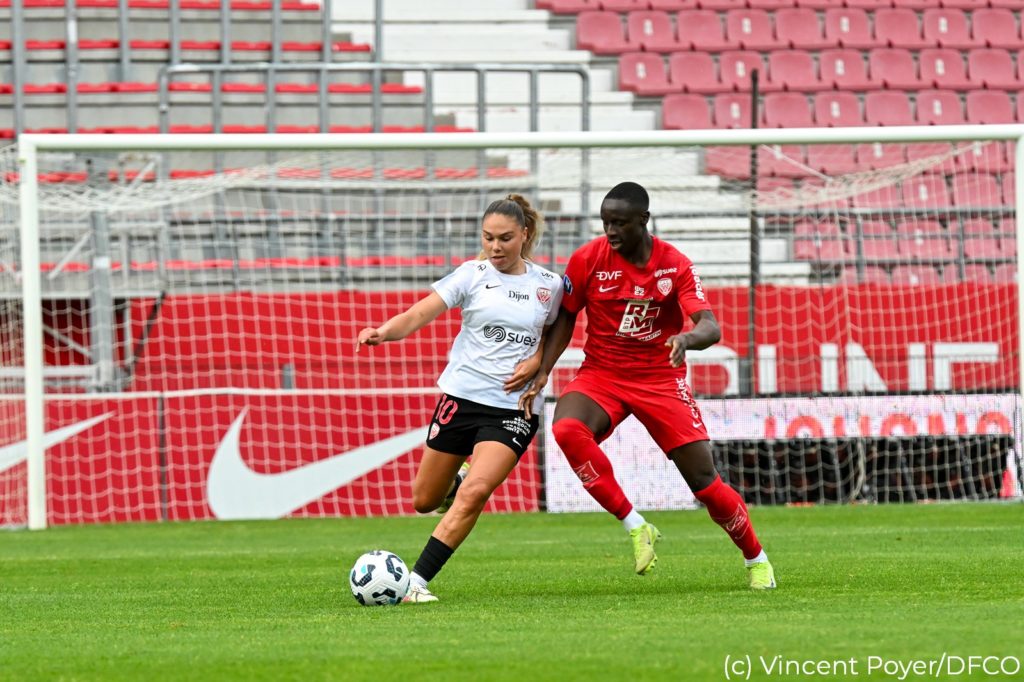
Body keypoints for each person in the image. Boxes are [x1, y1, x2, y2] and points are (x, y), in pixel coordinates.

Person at [519, 181, 775, 590]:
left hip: (660, 380)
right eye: (606, 222)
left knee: (705, 483)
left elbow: (710, 326)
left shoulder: (675, 265)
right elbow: (566, 316)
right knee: (566, 429)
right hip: (602, 374)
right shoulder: (587, 259)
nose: (611, 231)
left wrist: (686, 339)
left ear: (644, 220)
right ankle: (637, 525)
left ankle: (756, 559)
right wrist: (544, 369)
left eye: (620, 223)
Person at [357, 194, 563, 603]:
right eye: (488, 238)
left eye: (505, 238)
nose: (495, 247)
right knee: (425, 500)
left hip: (513, 408)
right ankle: (458, 481)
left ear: (524, 234)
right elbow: (419, 313)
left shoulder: (549, 285)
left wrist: (541, 364)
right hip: (462, 399)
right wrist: (384, 332)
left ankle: (415, 582)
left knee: (476, 492)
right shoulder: (472, 275)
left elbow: (558, 328)